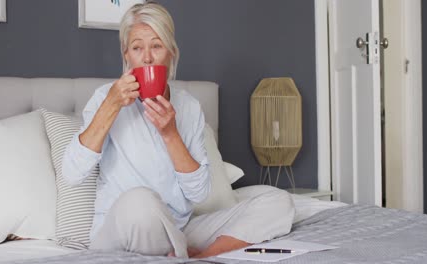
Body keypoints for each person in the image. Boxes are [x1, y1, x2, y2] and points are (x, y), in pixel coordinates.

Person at [62, 1, 294, 258]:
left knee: (278, 202)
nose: (147, 57)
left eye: (157, 46)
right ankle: (179, 253)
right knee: (140, 202)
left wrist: (170, 134)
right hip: (122, 229)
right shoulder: (105, 98)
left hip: (180, 227)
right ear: (126, 55)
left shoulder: (189, 106)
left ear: (171, 52)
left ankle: (201, 257)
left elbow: (198, 193)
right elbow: (72, 173)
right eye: (137, 47)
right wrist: (111, 106)